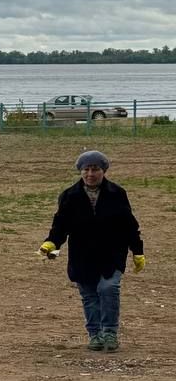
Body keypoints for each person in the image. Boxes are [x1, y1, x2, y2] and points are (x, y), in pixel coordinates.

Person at [40, 150, 145, 352]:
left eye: (95, 169)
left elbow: (129, 225)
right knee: (89, 296)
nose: (90, 174)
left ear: (103, 171)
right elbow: (61, 225)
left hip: (112, 254)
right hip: (83, 256)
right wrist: (51, 244)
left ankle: (110, 333)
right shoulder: (69, 196)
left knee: (108, 288)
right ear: (80, 172)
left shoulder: (117, 193)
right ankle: (95, 334)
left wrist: (137, 250)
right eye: (86, 169)